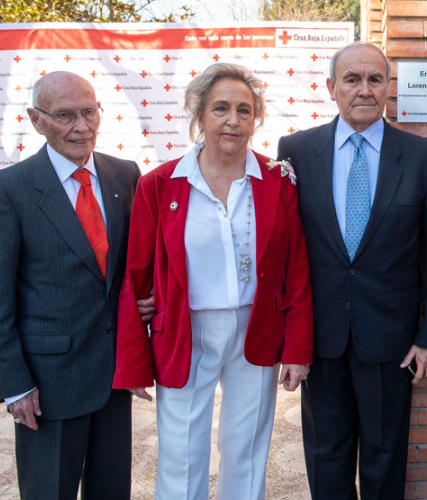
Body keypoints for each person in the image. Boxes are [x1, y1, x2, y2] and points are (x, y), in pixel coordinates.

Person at [112, 63, 312, 500]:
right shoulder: (159, 185)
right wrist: (132, 360)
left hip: (256, 329)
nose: (233, 120)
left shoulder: (279, 181)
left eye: (244, 110)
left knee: (247, 449)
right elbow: (136, 274)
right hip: (185, 332)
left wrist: (298, 348)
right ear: (198, 114)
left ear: (255, 119)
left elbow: (296, 270)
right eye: (220, 108)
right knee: (182, 451)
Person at [276, 42, 427, 500]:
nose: (364, 90)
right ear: (331, 87)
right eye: (352, 79)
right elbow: (284, 249)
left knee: (384, 456)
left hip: (392, 337)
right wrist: (288, 333)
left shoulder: (423, 157)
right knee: (326, 457)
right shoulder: (295, 150)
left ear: (388, 89)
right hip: (321, 335)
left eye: (376, 79)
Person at [0, 71, 140, 500]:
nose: (82, 126)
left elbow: (129, 271)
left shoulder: (125, 175)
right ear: (36, 119)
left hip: (113, 380)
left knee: (112, 491)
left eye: (90, 112)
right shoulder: (7, 190)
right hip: (49, 387)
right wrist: (14, 384)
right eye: (66, 115)